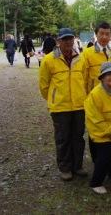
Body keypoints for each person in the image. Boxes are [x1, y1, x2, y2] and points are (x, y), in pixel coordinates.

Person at [39, 28, 88, 181]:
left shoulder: (80, 58)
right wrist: (54, 99)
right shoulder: (49, 59)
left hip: (79, 106)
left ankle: (77, 166)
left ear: (74, 40)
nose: (67, 42)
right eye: (64, 39)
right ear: (58, 41)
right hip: (60, 108)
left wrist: (82, 97)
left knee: (78, 137)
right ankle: (65, 168)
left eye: (70, 39)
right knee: (63, 138)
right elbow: (44, 85)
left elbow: (85, 81)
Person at [84, 62, 111, 194]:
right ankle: (96, 182)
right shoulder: (95, 94)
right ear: (102, 77)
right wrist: (109, 131)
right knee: (104, 157)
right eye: (109, 74)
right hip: (100, 133)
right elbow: (95, 118)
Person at [82, 22, 111, 93]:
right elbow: (83, 79)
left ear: (110, 36)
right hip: (95, 96)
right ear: (96, 35)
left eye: (107, 34)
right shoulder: (86, 53)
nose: (104, 37)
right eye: (101, 33)